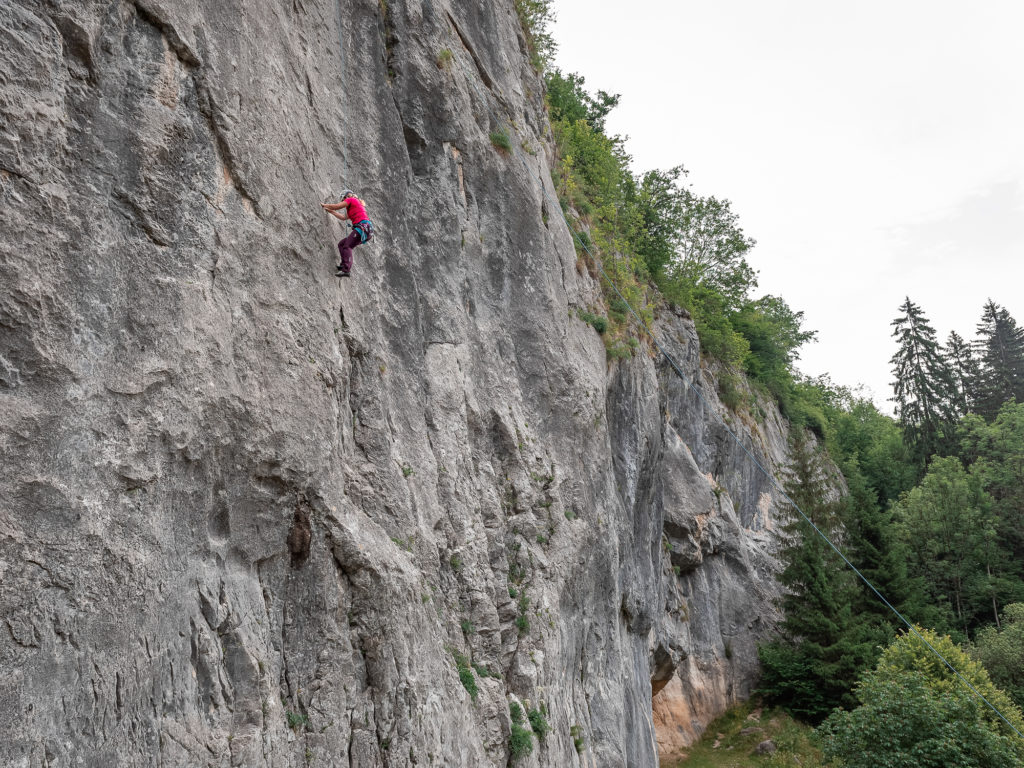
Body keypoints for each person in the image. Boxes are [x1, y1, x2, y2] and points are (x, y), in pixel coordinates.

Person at [322, 190, 374, 277]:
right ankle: (343, 265)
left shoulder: (352, 200)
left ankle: (346, 270)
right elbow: (343, 217)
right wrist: (331, 211)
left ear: (346, 197)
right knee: (342, 244)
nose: (343, 201)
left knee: (347, 246)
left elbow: (337, 206)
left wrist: (325, 205)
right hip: (367, 230)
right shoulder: (354, 207)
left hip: (364, 228)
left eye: (343, 199)